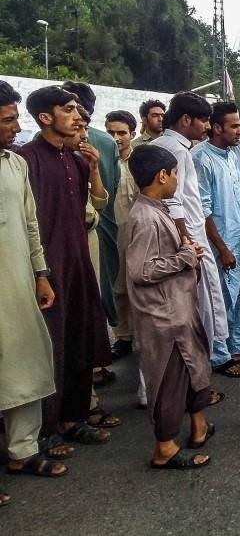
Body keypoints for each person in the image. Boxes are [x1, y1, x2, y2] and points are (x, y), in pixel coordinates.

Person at [18, 86, 112, 450]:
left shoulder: (74, 159)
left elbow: (95, 207)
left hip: (78, 262)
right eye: (69, 110)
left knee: (81, 339)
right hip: (48, 267)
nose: (78, 116)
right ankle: (47, 428)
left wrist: (92, 166)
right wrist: (41, 272)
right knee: (52, 347)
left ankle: (74, 418)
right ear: (45, 117)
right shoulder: (27, 160)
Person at [123, 144, 218, 469]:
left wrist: (184, 250)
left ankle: (199, 426)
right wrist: (185, 257)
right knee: (169, 382)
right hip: (164, 318)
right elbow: (141, 270)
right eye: (175, 173)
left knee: (194, 370)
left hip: (179, 309)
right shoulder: (145, 217)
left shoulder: (156, 208)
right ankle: (165, 448)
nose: (177, 179)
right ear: (162, 175)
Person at [0, 80, 68, 490]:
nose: (16, 126)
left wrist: (41, 274)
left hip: (18, 282)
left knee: (24, 360)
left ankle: (23, 451)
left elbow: (29, 224)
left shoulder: (14, 164)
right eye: (8, 120)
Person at [151, 93, 230, 375]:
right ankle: (197, 376)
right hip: (187, 239)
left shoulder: (165, 145)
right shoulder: (178, 151)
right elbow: (173, 200)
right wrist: (187, 242)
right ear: (186, 120)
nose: (207, 127)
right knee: (198, 310)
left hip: (177, 238)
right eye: (204, 120)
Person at [193, 101, 240, 376]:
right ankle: (220, 356)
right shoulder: (201, 159)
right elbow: (203, 209)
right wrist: (221, 247)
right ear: (217, 128)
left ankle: (238, 347)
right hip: (220, 242)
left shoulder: (234, 153)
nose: (239, 130)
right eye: (234, 125)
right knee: (220, 299)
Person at [62, 82, 121, 332]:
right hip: (93, 226)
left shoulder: (100, 143)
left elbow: (102, 194)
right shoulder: (105, 141)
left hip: (94, 225)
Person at [105, 110, 141, 360]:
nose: (116, 138)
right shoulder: (102, 163)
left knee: (141, 286)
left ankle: (144, 335)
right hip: (113, 233)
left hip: (141, 233)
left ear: (133, 134)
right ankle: (123, 337)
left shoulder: (141, 162)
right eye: (110, 133)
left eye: (121, 133)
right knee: (117, 288)